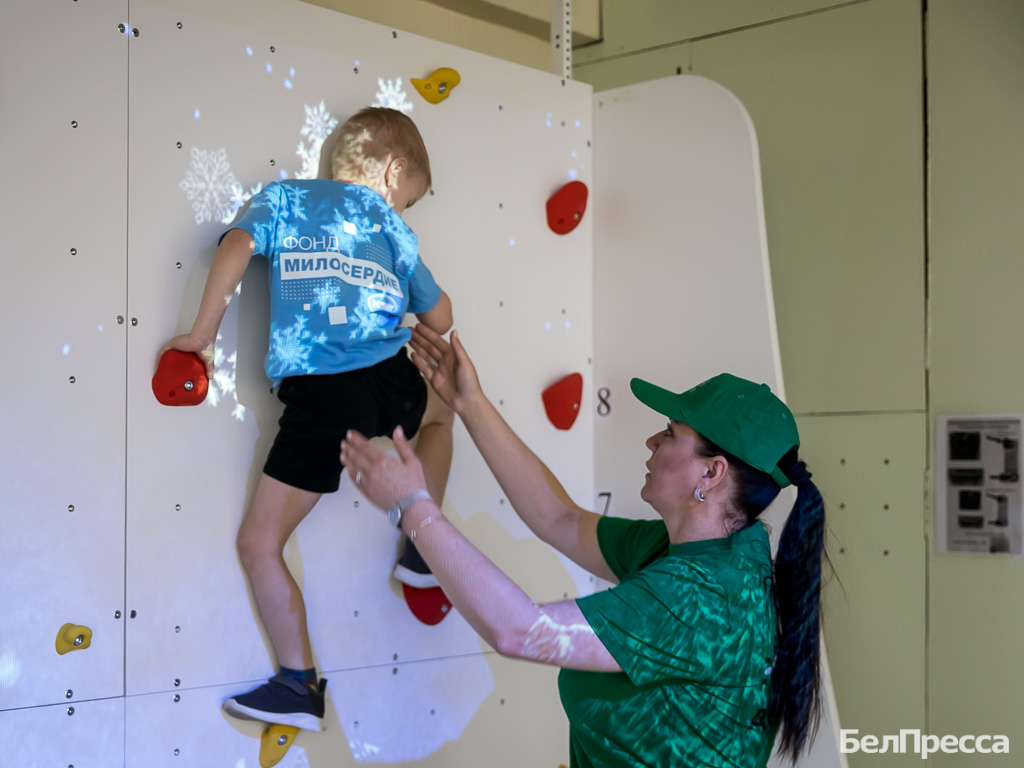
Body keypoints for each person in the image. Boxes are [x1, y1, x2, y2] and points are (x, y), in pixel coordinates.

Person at [340, 323, 828, 767]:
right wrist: (469, 403)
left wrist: (412, 507)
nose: (652, 442)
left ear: (711, 472)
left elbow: (520, 631)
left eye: (672, 433)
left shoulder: (700, 601)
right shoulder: (715, 556)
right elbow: (561, 519)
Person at [157, 107, 454, 732]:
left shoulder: (287, 198)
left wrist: (201, 336)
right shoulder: (391, 229)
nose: (405, 211)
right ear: (394, 172)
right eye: (411, 198)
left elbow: (238, 246)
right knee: (441, 418)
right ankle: (425, 549)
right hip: (388, 378)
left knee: (259, 543)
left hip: (325, 396)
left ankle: (298, 683)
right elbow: (441, 317)